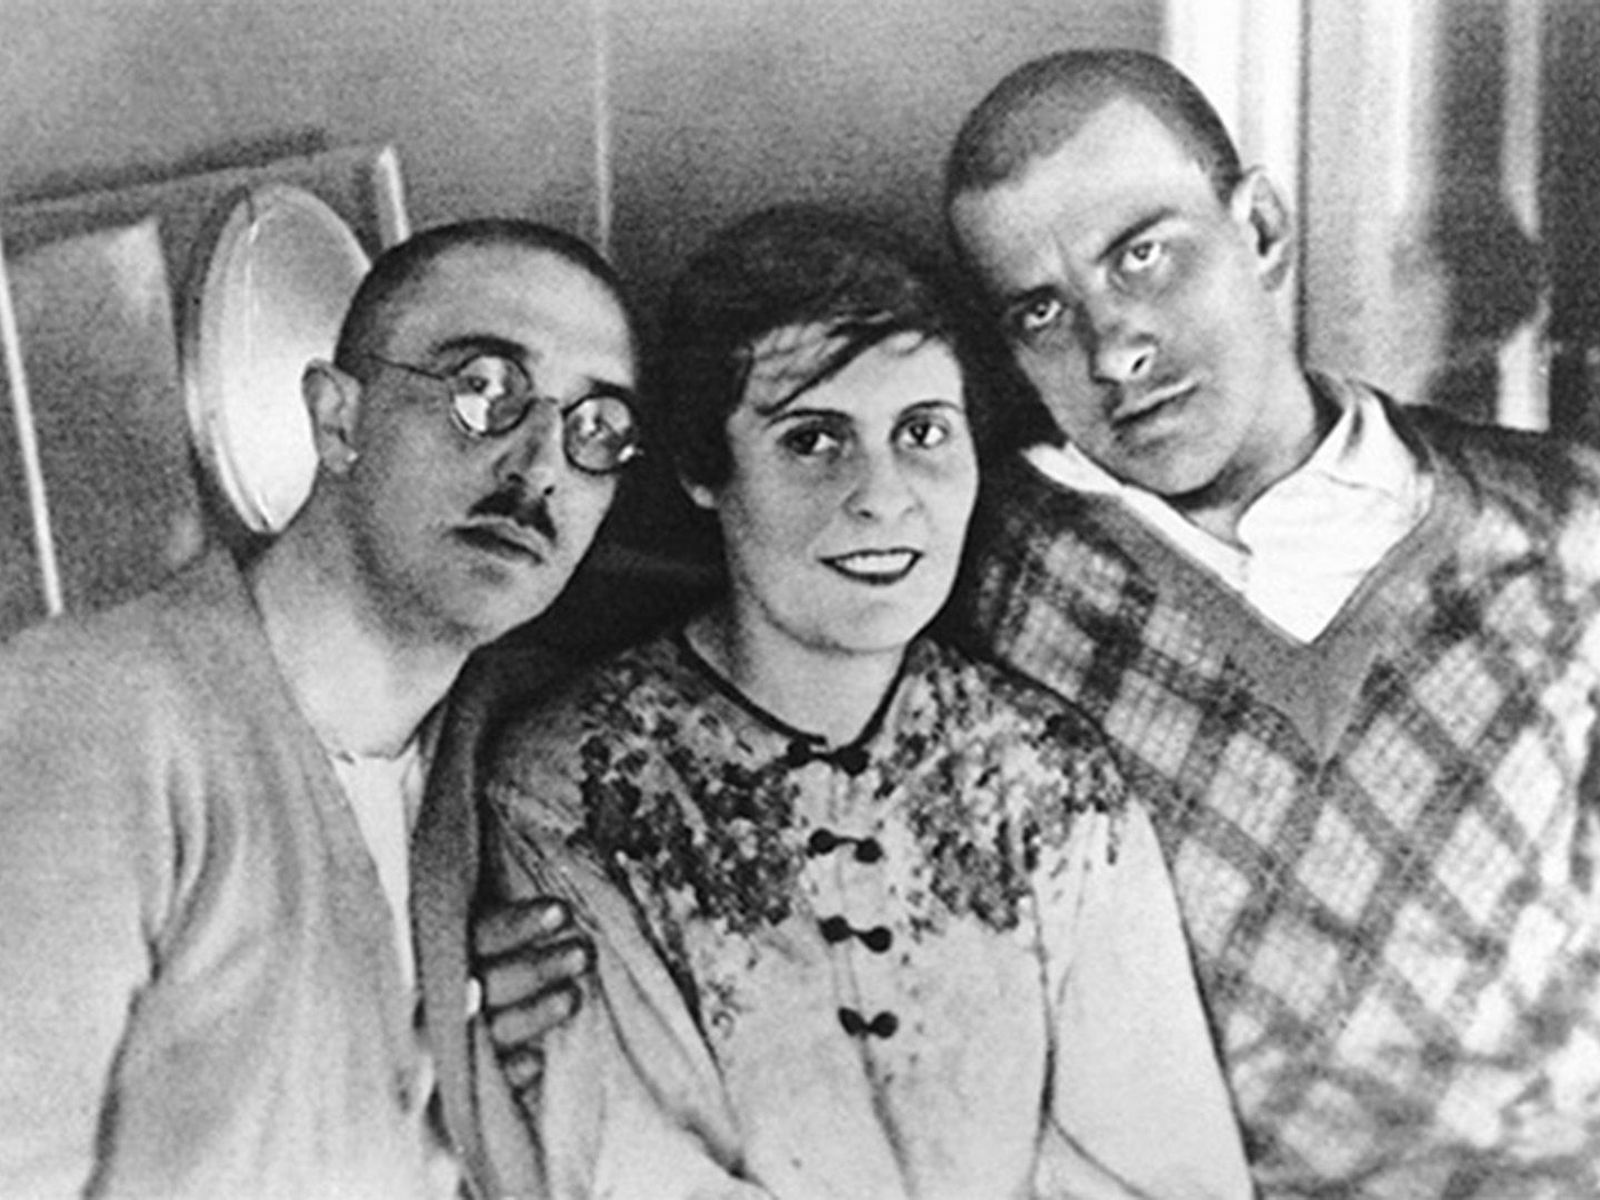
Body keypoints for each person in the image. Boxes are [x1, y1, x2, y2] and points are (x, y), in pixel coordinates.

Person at [478, 205, 1252, 1199]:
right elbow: (628, 1171)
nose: (882, 495)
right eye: (813, 440)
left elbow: (1166, 1172)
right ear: (702, 470)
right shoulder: (570, 786)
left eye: (923, 433)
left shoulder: (1048, 777)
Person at [943, 48, 1600, 1198]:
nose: (1112, 349)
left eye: (1142, 255)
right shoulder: (972, 576)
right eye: (1042, 311)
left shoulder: (1563, 523)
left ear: (1259, 231)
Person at [0, 218, 635, 1199]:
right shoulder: (101, 711)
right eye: (483, 391)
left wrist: (455, 1040)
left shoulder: (505, 756)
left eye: (597, 430)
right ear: (338, 420)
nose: (540, 466)